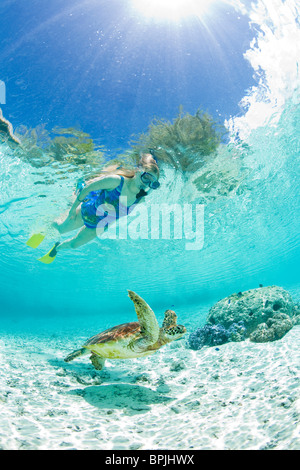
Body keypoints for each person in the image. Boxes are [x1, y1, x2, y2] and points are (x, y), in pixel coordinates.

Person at [28, 153, 160, 263]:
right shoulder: (116, 181)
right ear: (138, 170)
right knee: (60, 229)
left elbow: (118, 213)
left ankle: (56, 249)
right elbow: (87, 188)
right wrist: (72, 209)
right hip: (87, 211)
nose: (148, 183)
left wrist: (107, 226)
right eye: (147, 177)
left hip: (99, 226)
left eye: (153, 183)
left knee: (74, 245)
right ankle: (44, 230)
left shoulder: (140, 199)